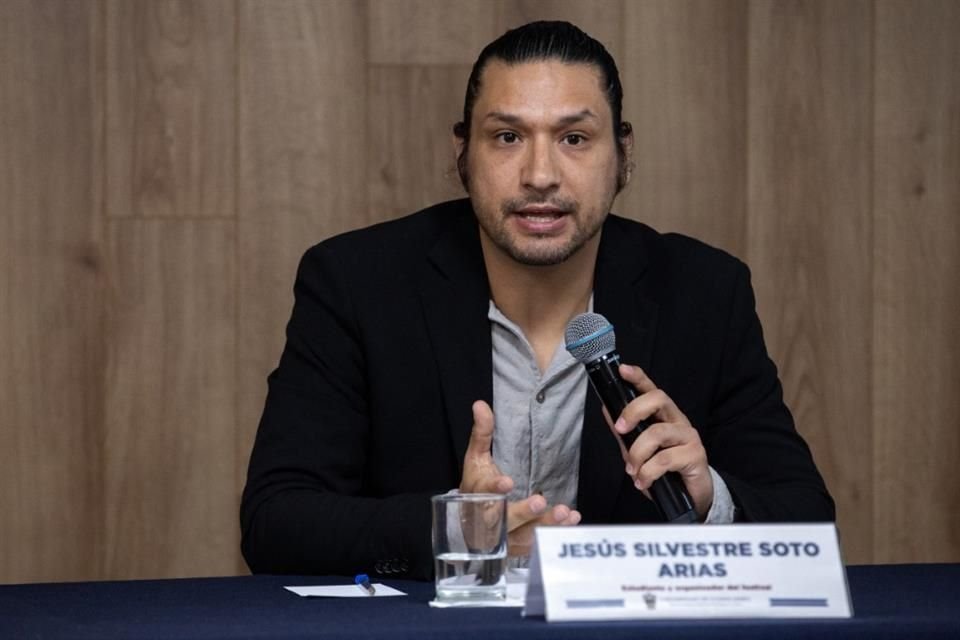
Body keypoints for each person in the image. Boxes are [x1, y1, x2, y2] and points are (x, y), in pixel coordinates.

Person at [240, 21, 834, 580]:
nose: (540, 174)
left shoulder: (703, 291)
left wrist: (708, 500)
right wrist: (457, 527)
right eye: (507, 137)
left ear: (623, 154)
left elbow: (809, 523)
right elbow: (275, 520)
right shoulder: (357, 283)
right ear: (463, 154)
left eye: (574, 138)